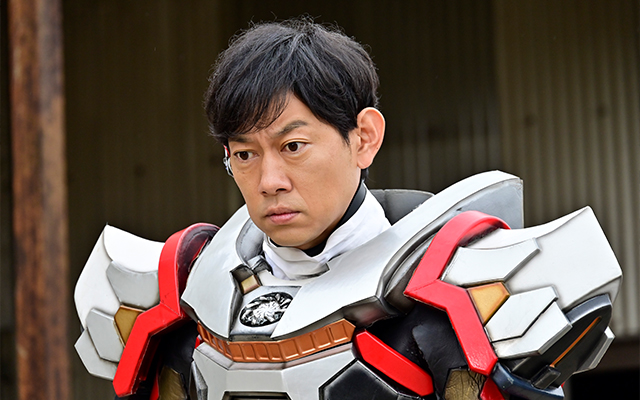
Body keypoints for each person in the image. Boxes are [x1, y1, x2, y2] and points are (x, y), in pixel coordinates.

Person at [74, 19, 622, 400]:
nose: (269, 181)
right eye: (244, 154)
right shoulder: (184, 305)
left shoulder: (456, 302)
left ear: (364, 138)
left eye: (293, 146)